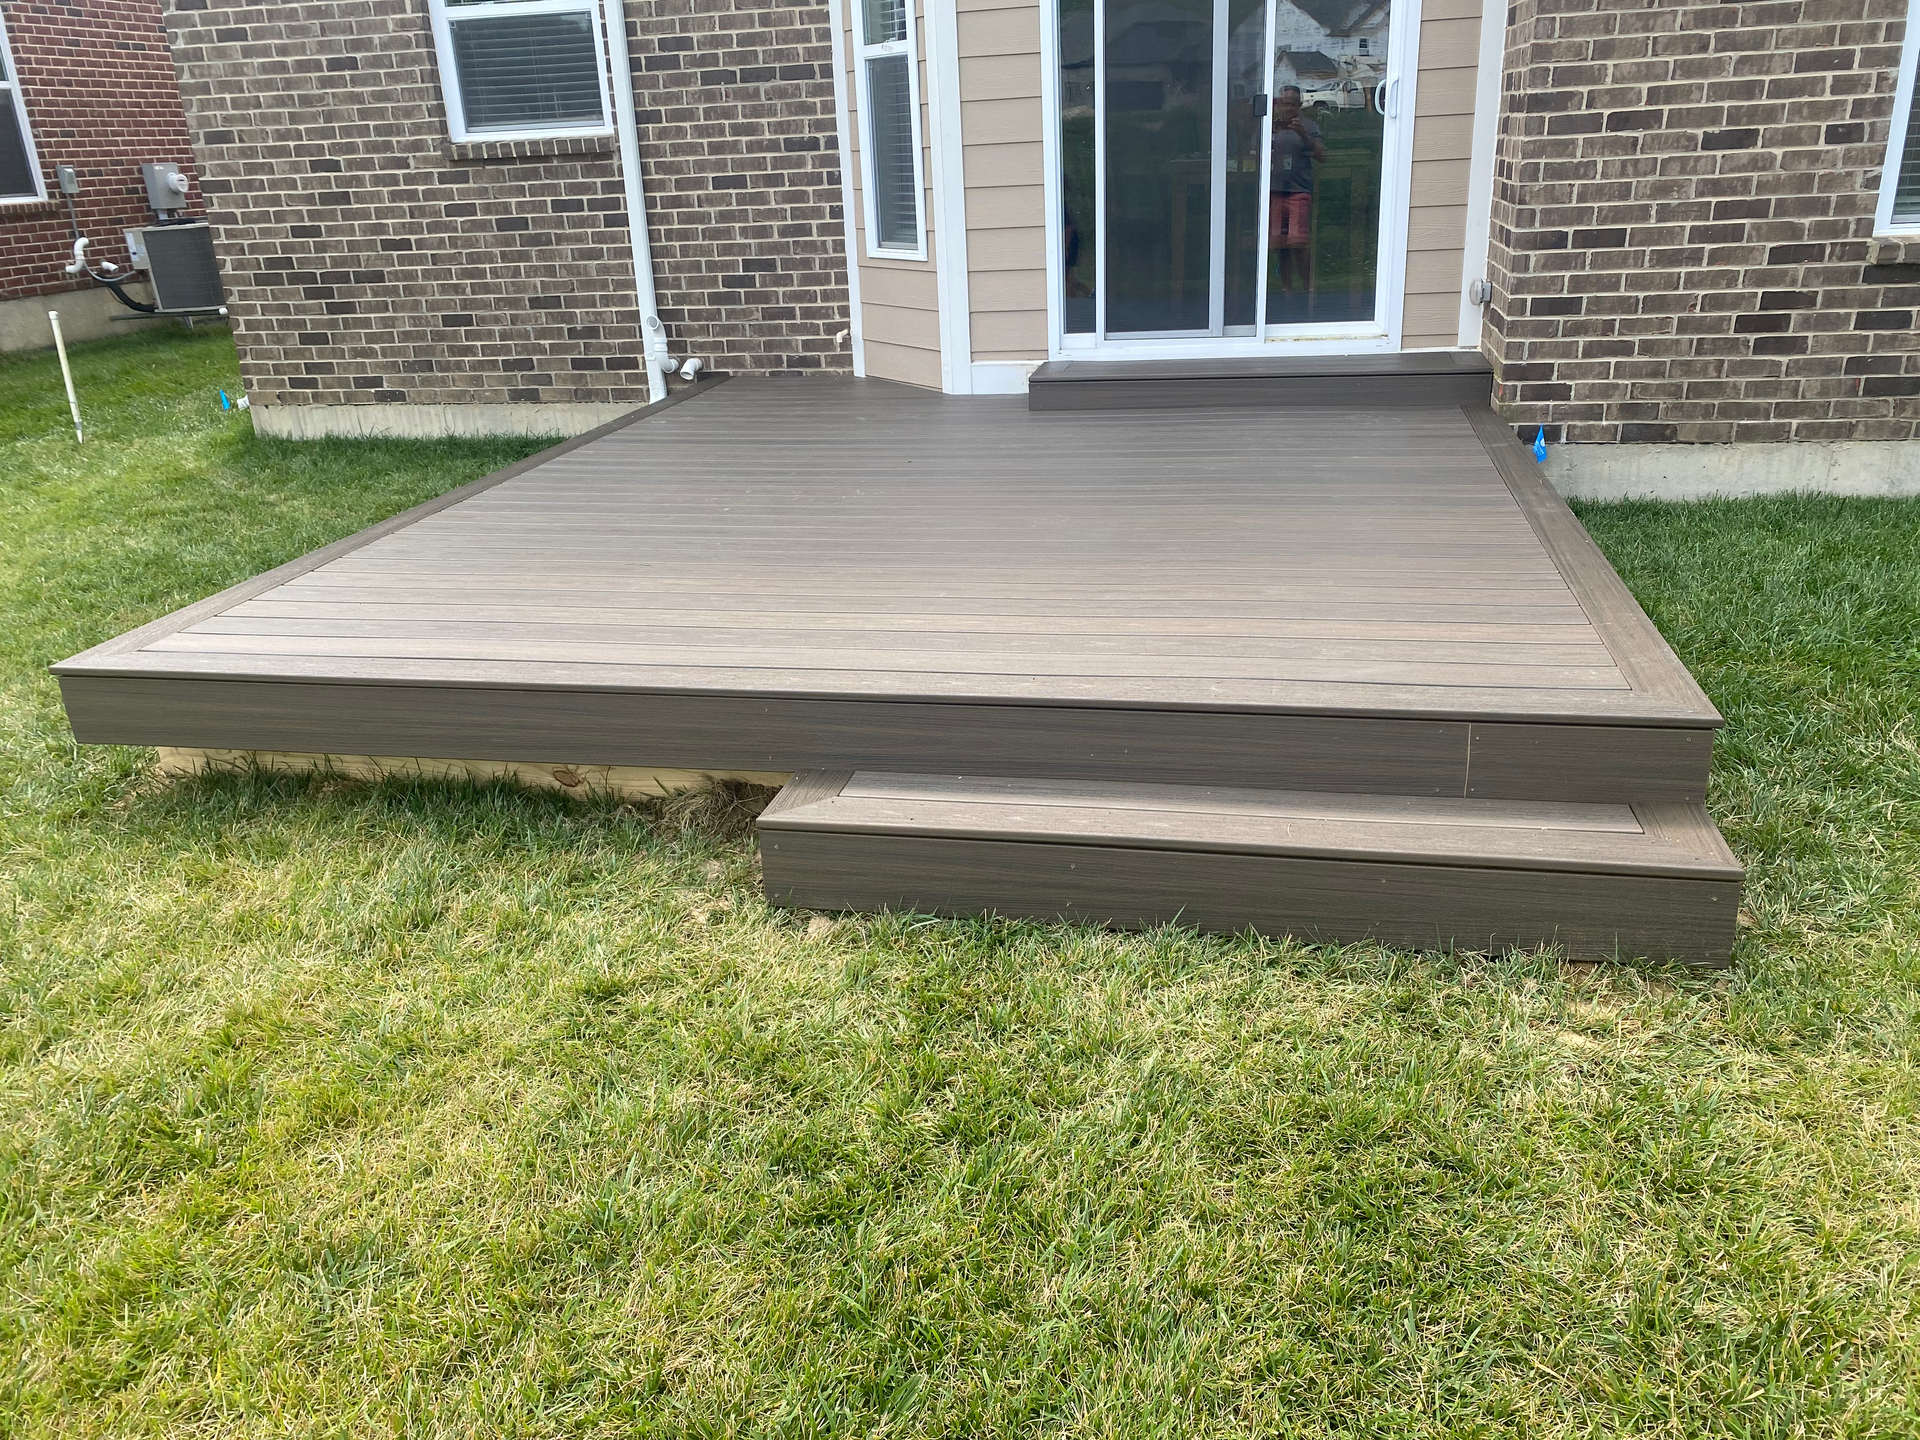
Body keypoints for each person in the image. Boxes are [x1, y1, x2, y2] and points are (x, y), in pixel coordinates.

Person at [1270, 85, 1327, 298]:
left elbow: (1322, 156)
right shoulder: (1269, 125)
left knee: (1298, 243)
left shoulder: (1308, 126)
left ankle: (1308, 291)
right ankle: (1286, 290)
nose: (1287, 108)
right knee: (1279, 244)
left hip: (1298, 190)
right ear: (1278, 104)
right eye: (1284, 103)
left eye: (1292, 103)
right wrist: (1269, 135)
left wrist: (1304, 136)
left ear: (1299, 105)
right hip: (1274, 191)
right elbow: (1253, 154)